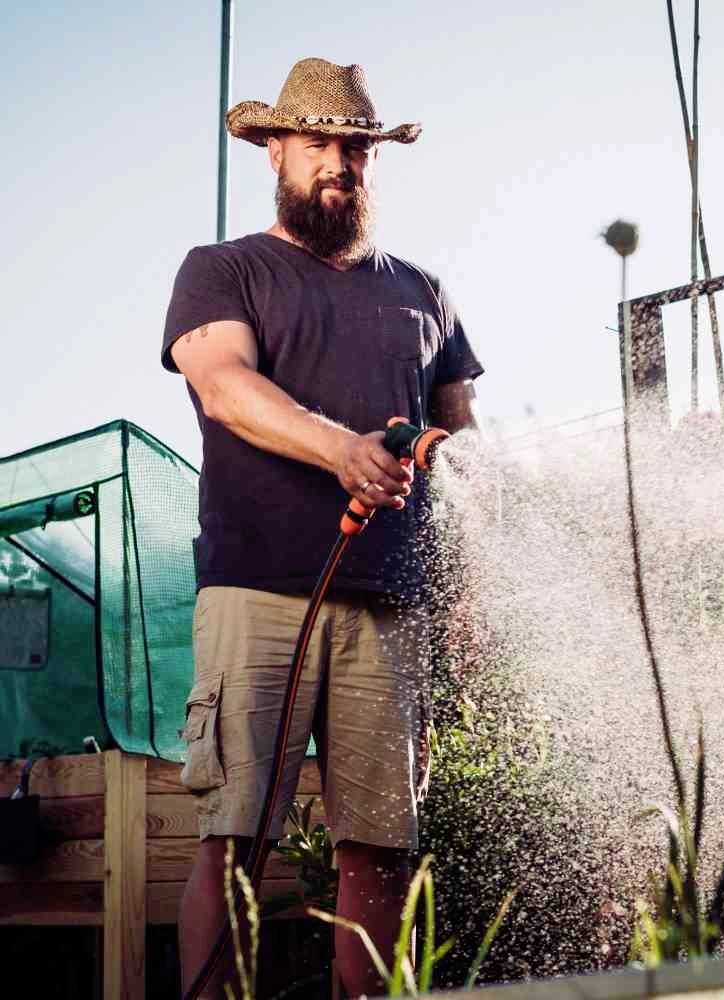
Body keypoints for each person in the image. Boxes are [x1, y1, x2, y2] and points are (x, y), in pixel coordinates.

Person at [161, 58, 483, 999]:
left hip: (392, 603)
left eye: (356, 147)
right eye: (317, 144)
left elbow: (461, 442)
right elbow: (223, 388)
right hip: (260, 593)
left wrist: (468, 579)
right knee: (237, 834)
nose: (338, 163)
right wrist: (343, 449)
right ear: (275, 151)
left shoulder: (424, 291)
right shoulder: (224, 270)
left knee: (381, 846)